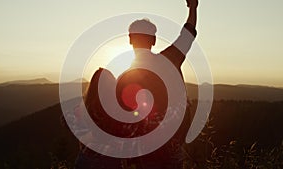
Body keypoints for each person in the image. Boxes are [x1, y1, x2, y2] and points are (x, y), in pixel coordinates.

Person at [74, 0, 198, 168]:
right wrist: (192, 7)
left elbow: (121, 123)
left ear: (130, 40)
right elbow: (188, 34)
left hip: (145, 153)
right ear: (153, 40)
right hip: (172, 146)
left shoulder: (125, 78)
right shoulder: (170, 59)